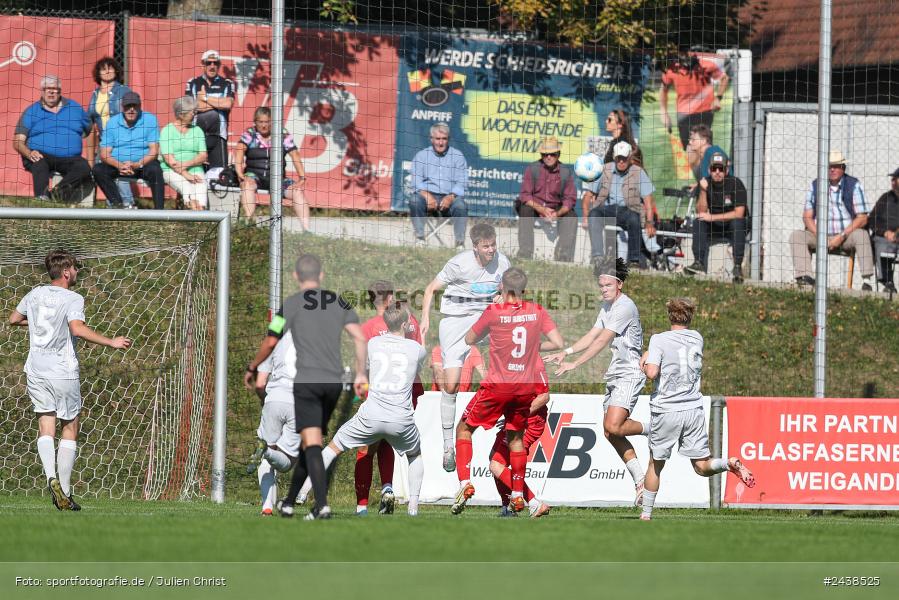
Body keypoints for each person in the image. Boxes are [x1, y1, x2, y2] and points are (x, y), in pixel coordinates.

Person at [244, 254, 367, 520]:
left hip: (306, 382)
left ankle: (321, 504)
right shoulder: (338, 302)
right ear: (321, 275)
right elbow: (359, 338)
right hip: (332, 384)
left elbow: (270, 341)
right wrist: (360, 374)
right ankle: (291, 502)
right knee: (310, 445)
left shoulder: (290, 305)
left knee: (311, 445)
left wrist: (252, 367)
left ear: (295, 276)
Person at [8, 250, 131, 511]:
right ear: (66, 272)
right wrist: (111, 341)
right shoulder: (73, 298)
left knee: (46, 424)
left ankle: (49, 476)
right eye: (75, 268)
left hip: (36, 369)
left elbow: (14, 319)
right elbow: (77, 328)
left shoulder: (34, 294)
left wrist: (41, 323)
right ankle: (64, 491)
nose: (76, 272)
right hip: (62, 370)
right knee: (70, 426)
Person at [451, 267, 564, 515]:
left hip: (498, 385)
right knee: (515, 438)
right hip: (523, 389)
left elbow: (469, 339)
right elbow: (558, 343)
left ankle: (464, 483)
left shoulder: (494, 311)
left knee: (464, 428)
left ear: (502, 286)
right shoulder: (537, 311)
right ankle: (517, 495)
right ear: (524, 289)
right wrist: (532, 345)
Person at [638, 297, 755, 521]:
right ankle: (727, 463)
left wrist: (643, 362)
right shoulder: (697, 338)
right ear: (690, 317)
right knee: (701, 466)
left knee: (655, 464)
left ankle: (646, 515)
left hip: (667, 409)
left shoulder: (658, 339)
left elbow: (652, 372)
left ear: (669, 316)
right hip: (693, 408)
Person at [545, 258, 650, 506]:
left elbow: (602, 340)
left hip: (629, 373)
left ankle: (654, 428)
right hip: (616, 373)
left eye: (607, 285)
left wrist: (575, 364)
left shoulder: (625, 307)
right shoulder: (607, 307)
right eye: (601, 285)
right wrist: (566, 352)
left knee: (614, 425)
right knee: (610, 432)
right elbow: (592, 334)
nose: (603, 289)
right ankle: (640, 482)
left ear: (619, 284)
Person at [309, 306, 427, 517]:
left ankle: (307, 491)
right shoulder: (416, 348)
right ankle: (412, 508)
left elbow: (362, 364)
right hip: (400, 414)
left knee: (342, 448)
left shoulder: (372, 342)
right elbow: (417, 365)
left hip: (373, 410)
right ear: (404, 324)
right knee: (413, 454)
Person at [420, 223, 510, 472]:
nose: (491, 250)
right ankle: (448, 445)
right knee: (451, 385)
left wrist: (504, 296)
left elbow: (511, 289)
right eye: (486, 246)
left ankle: (508, 412)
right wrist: (425, 318)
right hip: (455, 322)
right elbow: (430, 289)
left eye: (493, 245)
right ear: (475, 247)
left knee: (510, 343)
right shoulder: (459, 264)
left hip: (485, 319)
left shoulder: (503, 262)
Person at [352, 280, 425, 516]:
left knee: (366, 447)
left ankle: (362, 506)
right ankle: (389, 490)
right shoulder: (409, 321)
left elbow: (361, 366)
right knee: (388, 442)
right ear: (391, 297)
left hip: (379, 393)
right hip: (407, 392)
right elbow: (418, 354)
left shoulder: (367, 329)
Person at [789, 150, 874, 290]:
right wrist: (820, 235)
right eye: (829, 166)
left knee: (862, 234)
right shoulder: (815, 185)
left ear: (843, 168)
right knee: (796, 236)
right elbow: (807, 217)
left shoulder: (854, 184)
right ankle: (805, 278)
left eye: (836, 166)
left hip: (846, 235)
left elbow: (862, 218)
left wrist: (841, 236)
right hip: (819, 234)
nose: (832, 169)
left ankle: (867, 281)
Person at [13, 75, 91, 202]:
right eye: (47, 89)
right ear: (42, 91)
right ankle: (42, 197)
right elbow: (17, 142)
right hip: (41, 155)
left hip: (70, 158)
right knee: (38, 160)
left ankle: (55, 195)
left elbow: (90, 130)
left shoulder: (75, 108)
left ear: (60, 91)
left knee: (84, 167)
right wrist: (29, 153)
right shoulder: (31, 111)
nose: (51, 92)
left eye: (54, 89)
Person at [246, 332, 300, 516]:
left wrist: (265, 401)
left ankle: (267, 507)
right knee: (287, 463)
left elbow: (260, 384)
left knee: (266, 455)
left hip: (274, 399)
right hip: (299, 403)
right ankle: (267, 451)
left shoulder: (273, 343)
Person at [586, 141, 660, 269]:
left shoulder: (638, 172)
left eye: (624, 158)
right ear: (614, 157)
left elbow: (648, 202)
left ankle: (634, 261)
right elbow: (588, 195)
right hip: (607, 210)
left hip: (629, 210)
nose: (621, 161)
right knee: (594, 214)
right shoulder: (604, 169)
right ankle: (597, 257)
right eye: (618, 158)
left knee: (634, 218)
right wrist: (585, 215)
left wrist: (649, 222)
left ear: (630, 157)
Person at [234, 107, 310, 227]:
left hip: (278, 178)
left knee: (297, 191)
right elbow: (239, 150)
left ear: (272, 122)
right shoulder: (250, 133)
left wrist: (302, 177)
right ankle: (249, 224)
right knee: (247, 185)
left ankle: (306, 229)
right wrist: (239, 173)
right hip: (254, 176)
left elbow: (294, 154)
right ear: (255, 122)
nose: (264, 125)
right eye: (260, 122)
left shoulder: (282, 134)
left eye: (267, 122)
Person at [488, 379, 552, 518]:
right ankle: (507, 508)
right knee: (493, 457)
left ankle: (534, 504)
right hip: (515, 419)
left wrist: (520, 415)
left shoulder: (532, 367)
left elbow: (544, 397)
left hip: (528, 421)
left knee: (496, 465)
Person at [92, 91, 166, 209]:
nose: (131, 110)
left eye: (134, 106)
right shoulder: (112, 122)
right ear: (122, 107)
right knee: (98, 170)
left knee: (156, 170)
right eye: (128, 106)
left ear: (140, 106)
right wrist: (119, 165)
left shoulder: (150, 120)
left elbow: (154, 151)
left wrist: (138, 164)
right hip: (118, 166)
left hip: (142, 165)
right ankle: (119, 205)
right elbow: (104, 153)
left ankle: (160, 211)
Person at [684, 152, 749, 283]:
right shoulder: (705, 182)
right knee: (699, 221)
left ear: (726, 170)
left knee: (737, 222)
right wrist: (703, 191)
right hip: (716, 225)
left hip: (733, 225)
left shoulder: (736, 183)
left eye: (721, 168)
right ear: (709, 170)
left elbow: (739, 213)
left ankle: (737, 267)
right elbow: (701, 212)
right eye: (714, 168)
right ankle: (698, 262)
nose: (717, 172)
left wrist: (712, 217)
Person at [515, 136, 578, 262]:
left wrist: (557, 213)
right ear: (541, 155)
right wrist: (542, 209)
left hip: (555, 207)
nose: (548, 157)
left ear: (558, 154)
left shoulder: (565, 172)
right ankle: (525, 253)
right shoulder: (532, 168)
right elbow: (525, 195)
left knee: (572, 216)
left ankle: (562, 255)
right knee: (525, 208)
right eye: (545, 154)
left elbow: (570, 199)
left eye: (552, 154)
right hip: (535, 205)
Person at [86, 57, 136, 208]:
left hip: (122, 140)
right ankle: (114, 206)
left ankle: (128, 205)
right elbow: (91, 122)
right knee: (104, 174)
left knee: (120, 172)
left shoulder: (124, 90)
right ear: (98, 73)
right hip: (104, 142)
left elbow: (133, 115)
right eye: (103, 69)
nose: (107, 71)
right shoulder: (95, 94)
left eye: (110, 68)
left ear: (116, 71)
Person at [409, 122, 469, 247]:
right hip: (426, 196)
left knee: (461, 206)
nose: (440, 143)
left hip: (450, 196)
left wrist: (451, 197)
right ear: (431, 139)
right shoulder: (421, 156)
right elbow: (416, 182)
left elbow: (462, 182)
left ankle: (459, 244)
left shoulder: (458, 156)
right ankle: (420, 239)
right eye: (437, 139)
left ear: (448, 139)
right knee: (415, 200)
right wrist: (426, 195)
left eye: (444, 139)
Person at [660, 52, 729, 155]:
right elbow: (663, 89)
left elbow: (724, 78)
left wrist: (718, 98)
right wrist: (663, 112)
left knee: (705, 147)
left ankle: (706, 163)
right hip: (683, 114)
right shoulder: (672, 69)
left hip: (705, 112)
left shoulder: (705, 65)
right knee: (689, 148)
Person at [184, 50, 235, 171]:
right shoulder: (193, 82)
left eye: (215, 63)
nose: (212, 66)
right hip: (195, 136)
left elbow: (228, 104)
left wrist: (205, 98)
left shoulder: (227, 83)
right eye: (209, 63)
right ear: (203, 64)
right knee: (194, 174)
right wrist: (218, 103)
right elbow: (190, 106)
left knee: (219, 175)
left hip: (218, 137)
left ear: (219, 65)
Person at [159, 96, 209, 211]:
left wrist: (186, 164)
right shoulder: (167, 131)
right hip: (171, 170)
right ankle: (194, 217)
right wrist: (186, 174)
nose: (195, 115)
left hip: (196, 169)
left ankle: (200, 218)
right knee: (187, 188)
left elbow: (203, 156)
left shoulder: (198, 130)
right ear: (181, 114)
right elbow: (170, 160)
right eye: (192, 112)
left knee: (201, 193)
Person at [868, 169, 899, 293]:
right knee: (881, 243)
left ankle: (888, 282)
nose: (893, 182)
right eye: (892, 179)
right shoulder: (885, 197)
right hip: (884, 237)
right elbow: (872, 219)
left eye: (895, 179)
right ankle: (888, 282)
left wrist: (896, 234)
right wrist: (885, 232)